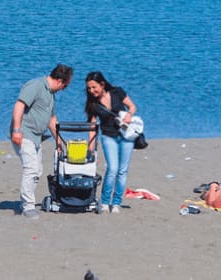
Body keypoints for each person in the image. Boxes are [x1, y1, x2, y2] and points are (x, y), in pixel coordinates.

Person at [10, 63, 73, 219]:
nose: (64, 89)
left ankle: (25, 202)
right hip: (24, 133)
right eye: (65, 86)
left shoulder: (50, 94)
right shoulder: (36, 85)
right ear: (60, 80)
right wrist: (17, 130)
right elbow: (19, 105)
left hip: (37, 137)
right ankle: (28, 206)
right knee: (31, 168)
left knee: (37, 171)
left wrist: (59, 141)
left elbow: (51, 119)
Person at [85, 71, 138, 213]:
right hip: (108, 137)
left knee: (123, 171)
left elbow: (132, 106)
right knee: (112, 169)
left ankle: (116, 203)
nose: (91, 91)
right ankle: (104, 201)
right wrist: (91, 149)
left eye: (94, 87)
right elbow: (92, 126)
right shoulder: (92, 103)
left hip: (125, 135)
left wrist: (129, 114)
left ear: (102, 84)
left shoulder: (117, 92)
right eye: (89, 88)